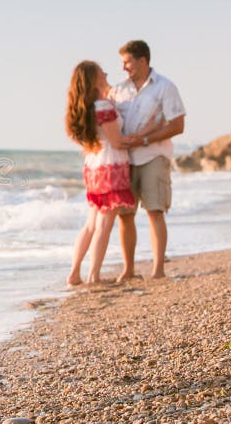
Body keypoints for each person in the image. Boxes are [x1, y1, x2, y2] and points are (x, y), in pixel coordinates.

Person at [111, 40, 186, 280]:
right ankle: (129, 269)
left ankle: (158, 270)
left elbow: (177, 125)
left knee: (154, 210)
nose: (124, 67)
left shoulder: (165, 87)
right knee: (125, 214)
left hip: (154, 155)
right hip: (125, 160)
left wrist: (144, 141)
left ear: (142, 60)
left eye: (127, 61)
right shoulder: (118, 90)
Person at [65, 60, 139, 285]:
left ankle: (75, 273)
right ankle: (93, 276)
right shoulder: (103, 106)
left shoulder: (88, 107)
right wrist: (146, 136)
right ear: (94, 80)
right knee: (104, 225)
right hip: (111, 166)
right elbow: (117, 142)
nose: (106, 73)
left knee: (91, 224)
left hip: (94, 165)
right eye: (101, 72)